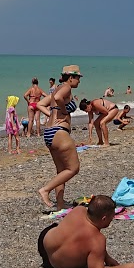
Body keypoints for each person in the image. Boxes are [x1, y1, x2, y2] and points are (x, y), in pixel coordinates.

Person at [35, 195, 134, 268]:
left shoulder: (79, 210)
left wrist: (106, 257)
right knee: (89, 245)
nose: (112, 220)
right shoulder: (97, 240)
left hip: (44, 242)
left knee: (66, 231)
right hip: (57, 265)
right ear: (104, 218)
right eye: (111, 218)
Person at [35, 66, 84, 212]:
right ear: (70, 78)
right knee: (73, 168)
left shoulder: (56, 88)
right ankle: (45, 190)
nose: (79, 82)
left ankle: (60, 204)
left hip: (49, 132)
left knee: (61, 170)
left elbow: (40, 104)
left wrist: (51, 115)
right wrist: (63, 110)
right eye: (78, 78)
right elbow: (58, 99)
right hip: (60, 132)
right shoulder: (66, 88)